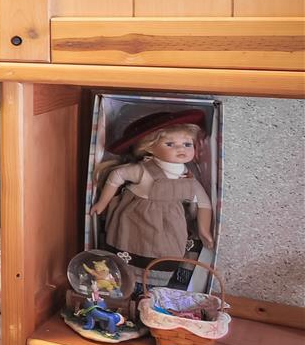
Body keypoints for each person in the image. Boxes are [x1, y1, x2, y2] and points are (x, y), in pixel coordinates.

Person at [90, 110, 214, 266]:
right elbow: (117, 174)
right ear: (150, 147)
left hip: (170, 226)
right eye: (170, 144)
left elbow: (204, 204)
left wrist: (204, 231)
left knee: (166, 253)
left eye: (187, 144)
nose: (181, 149)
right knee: (127, 245)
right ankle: (123, 275)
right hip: (135, 218)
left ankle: (155, 282)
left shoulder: (189, 178)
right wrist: (103, 202)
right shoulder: (144, 170)